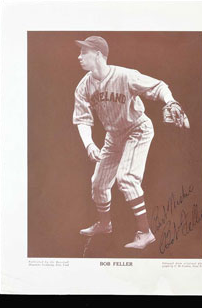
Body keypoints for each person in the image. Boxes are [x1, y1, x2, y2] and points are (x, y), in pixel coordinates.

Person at [73, 36, 189, 250]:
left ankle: (145, 233)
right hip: (113, 136)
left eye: (84, 52)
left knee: (125, 178)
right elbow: (82, 119)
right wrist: (89, 144)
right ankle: (105, 224)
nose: (79, 56)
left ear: (98, 55)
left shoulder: (125, 76)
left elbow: (158, 86)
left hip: (137, 130)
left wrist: (170, 100)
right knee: (98, 183)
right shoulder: (83, 86)